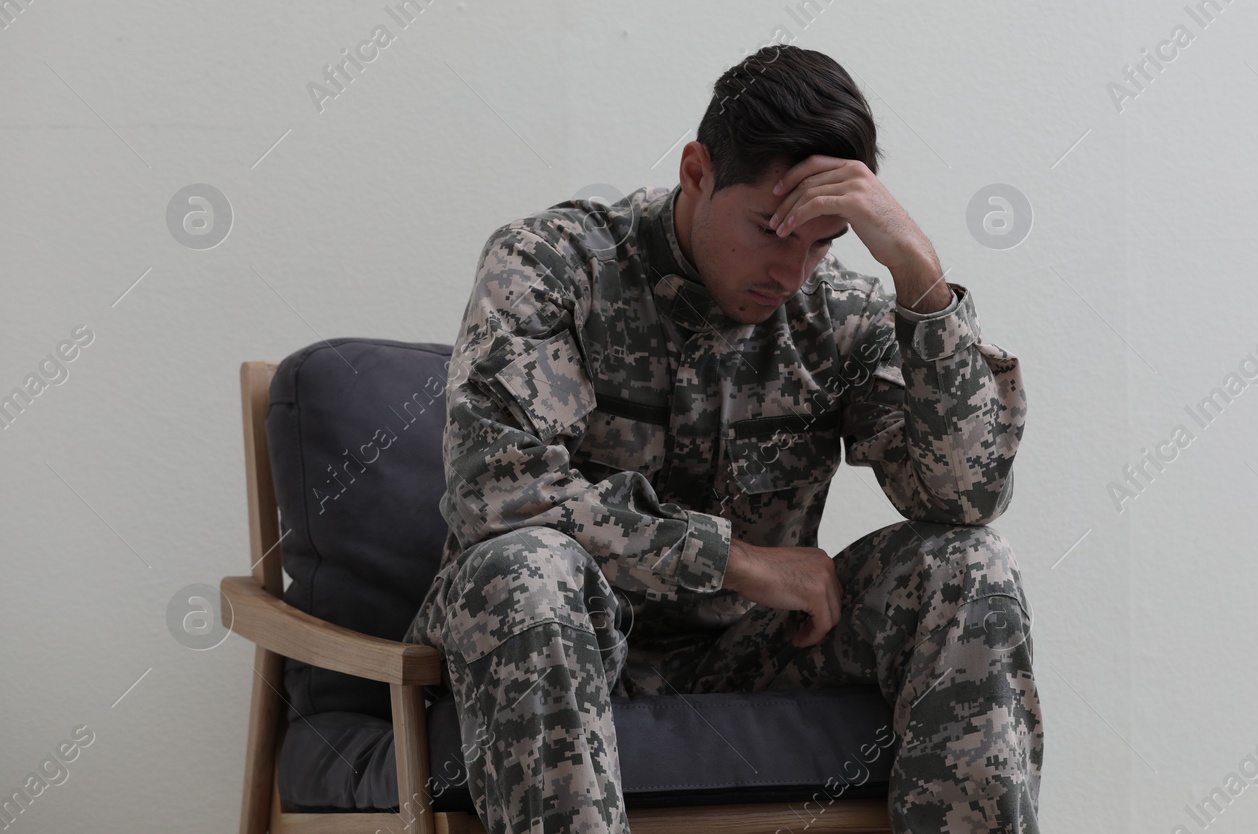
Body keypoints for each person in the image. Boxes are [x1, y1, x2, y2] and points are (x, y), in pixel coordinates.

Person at [402, 43, 1041, 833]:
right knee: (525, 566)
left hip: (752, 654)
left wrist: (920, 277)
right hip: (564, 639)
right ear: (698, 170)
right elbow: (498, 496)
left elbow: (964, 495)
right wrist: (738, 563)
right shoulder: (551, 265)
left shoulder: (837, 316)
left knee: (972, 565)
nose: (794, 270)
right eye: (774, 229)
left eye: (824, 241)